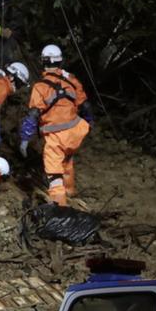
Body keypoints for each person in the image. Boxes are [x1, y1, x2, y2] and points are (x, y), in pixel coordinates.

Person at [19, 44, 93, 206]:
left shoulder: (40, 87)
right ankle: (70, 191)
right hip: (76, 131)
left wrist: (25, 138)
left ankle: (61, 208)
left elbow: (33, 115)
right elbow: (85, 106)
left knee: (54, 174)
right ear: (60, 62)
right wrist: (89, 123)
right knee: (67, 160)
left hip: (57, 136)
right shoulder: (72, 81)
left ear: (43, 62)